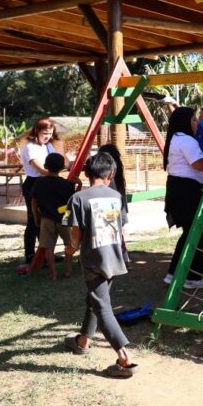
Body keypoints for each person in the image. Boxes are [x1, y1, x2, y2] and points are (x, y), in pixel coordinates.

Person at [62, 152, 138, 378]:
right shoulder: (117, 196)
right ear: (111, 174)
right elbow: (122, 226)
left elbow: (75, 230)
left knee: (102, 305)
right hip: (114, 257)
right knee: (96, 299)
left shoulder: (77, 198)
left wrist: (72, 247)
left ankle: (125, 360)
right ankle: (82, 341)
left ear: (86, 172)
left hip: (93, 259)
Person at [163, 107, 203, 290]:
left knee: (190, 233)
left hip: (180, 189)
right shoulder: (186, 140)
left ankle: (174, 273)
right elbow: (199, 165)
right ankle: (192, 277)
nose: (197, 123)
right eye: (194, 120)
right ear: (186, 122)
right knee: (196, 233)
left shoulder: (176, 138)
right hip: (186, 190)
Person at [19, 118, 62, 267]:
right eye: (45, 133)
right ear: (37, 131)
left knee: (46, 221)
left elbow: (57, 163)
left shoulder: (49, 146)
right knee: (33, 221)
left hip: (47, 183)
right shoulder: (30, 147)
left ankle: (45, 253)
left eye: (50, 133)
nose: (48, 136)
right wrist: (59, 170)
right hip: (34, 184)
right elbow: (42, 170)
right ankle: (30, 256)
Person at [31, 152, 76, 279]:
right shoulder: (67, 184)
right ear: (62, 167)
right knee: (68, 245)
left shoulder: (39, 183)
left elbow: (33, 201)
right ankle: (68, 269)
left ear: (45, 165)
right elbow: (72, 200)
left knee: (48, 247)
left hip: (46, 218)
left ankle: (53, 273)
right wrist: (79, 186)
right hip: (65, 218)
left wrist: (35, 217)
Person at [98, 144, 131, 267]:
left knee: (110, 235)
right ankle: (123, 259)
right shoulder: (117, 169)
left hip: (109, 205)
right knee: (117, 235)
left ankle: (116, 260)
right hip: (118, 206)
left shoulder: (108, 172)